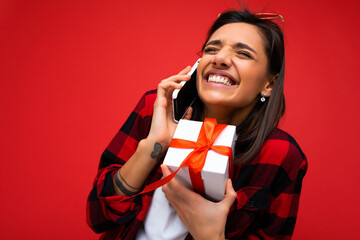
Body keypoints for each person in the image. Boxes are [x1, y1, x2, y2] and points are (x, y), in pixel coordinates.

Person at [87, 9, 307, 240]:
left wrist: (210, 236)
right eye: (211, 49)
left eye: (243, 53)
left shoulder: (280, 154)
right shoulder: (159, 107)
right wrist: (154, 145)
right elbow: (97, 217)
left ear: (269, 84)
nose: (219, 59)